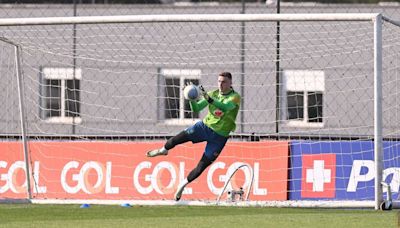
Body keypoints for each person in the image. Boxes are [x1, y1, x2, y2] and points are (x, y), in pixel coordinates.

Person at [146, 71, 241, 201]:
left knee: (201, 166)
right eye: (219, 81)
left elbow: (224, 107)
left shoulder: (235, 97)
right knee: (178, 138)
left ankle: (182, 185)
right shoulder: (213, 93)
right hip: (204, 127)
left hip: (219, 137)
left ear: (230, 83)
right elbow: (196, 109)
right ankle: (163, 150)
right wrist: (191, 99)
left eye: (224, 82)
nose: (221, 84)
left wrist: (209, 99)